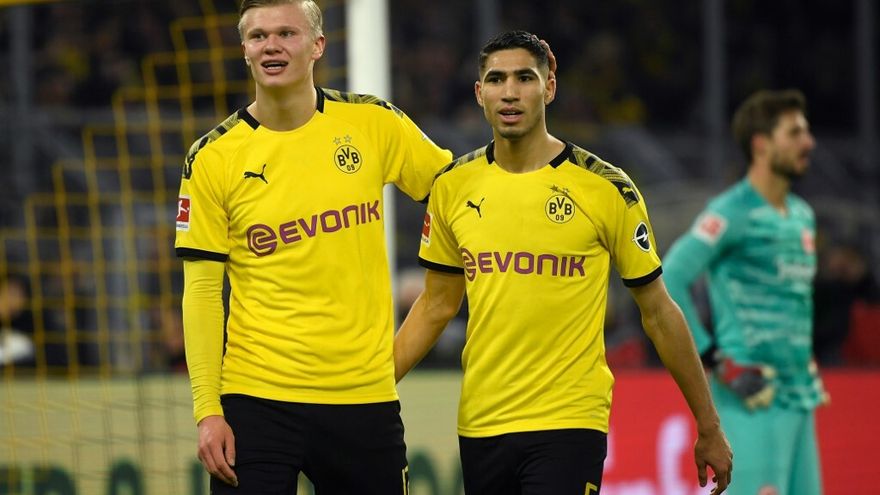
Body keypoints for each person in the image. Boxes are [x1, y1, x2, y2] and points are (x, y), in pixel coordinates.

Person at [393, 30, 732, 495]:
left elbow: (657, 310)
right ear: (479, 93)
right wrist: (375, 387)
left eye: (524, 78)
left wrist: (708, 423)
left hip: (569, 421)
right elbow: (436, 304)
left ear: (549, 87)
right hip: (481, 422)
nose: (509, 92)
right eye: (496, 79)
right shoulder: (453, 186)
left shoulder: (605, 188)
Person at [173, 1, 452, 493]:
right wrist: (207, 410)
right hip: (256, 398)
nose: (271, 46)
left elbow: (459, 195)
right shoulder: (213, 157)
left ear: (318, 45)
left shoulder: (373, 123)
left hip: (363, 398)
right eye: (258, 36)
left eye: (287, 33)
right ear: (244, 49)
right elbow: (201, 293)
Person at [663, 89, 827, 494]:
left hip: (800, 396)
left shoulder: (802, 216)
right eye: (795, 133)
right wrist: (713, 357)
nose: (809, 143)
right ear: (761, 144)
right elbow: (671, 277)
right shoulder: (730, 212)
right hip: (752, 397)